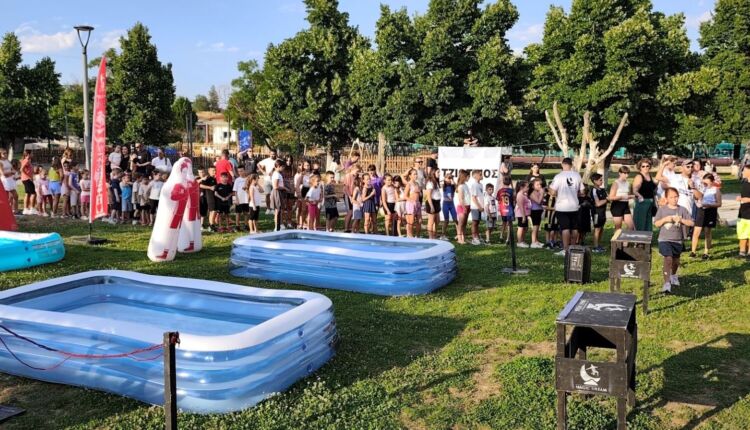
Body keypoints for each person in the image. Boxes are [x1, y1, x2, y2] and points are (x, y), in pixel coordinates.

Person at [654, 187, 694, 293]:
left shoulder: (682, 209)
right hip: (664, 239)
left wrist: (681, 220)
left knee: (676, 261)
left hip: (678, 240)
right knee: (668, 259)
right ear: (666, 198)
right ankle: (666, 283)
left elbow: (691, 223)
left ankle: (673, 275)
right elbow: (656, 223)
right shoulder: (662, 209)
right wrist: (665, 219)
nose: (674, 199)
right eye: (671, 197)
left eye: (676, 197)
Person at [548, 158, 584, 256]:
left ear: (562, 164)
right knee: (574, 228)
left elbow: (552, 192)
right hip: (574, 205)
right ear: (571, 165)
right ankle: (573, 248)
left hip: (562, 206)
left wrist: (550, 190)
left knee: (565, 228)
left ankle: (565, 249)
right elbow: (582, 191)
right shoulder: (577, 175)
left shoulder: (559, 176)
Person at [691, 173, 722, 259]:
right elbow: (696, 197)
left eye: (707, 183)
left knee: (707, 231)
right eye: (704, 183)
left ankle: (706, 252)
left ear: (712, 182)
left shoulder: (716, 190)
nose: (705, 184)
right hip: (701, 210)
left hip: (710, 211)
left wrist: (709, 205)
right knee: (696, 231)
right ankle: (693, 251)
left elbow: (719, 203)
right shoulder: (702, 189)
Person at [632, 158, 656, 231]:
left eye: (647, 166)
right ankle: (639, 238)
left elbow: (653, 188)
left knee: (648, 223)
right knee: (640, 223)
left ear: (650, 167)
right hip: (642, 202)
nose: (645, 167)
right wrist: (640, 196)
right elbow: (634, 190)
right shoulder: (639, 176)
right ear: (640, 167)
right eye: (643, 166)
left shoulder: (649, 176)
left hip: (650, 202)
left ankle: (647, 237)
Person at [609, 166, 635, 231]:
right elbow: (611, 197)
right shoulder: (616, 183)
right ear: (620, 173)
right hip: (617, 205)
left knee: (631, 226)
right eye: (625, 173)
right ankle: (616, 238)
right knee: (618, 228)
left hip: (625, 205)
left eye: (627, 173)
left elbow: (628, 195)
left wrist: (633, 196)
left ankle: (625, 238)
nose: (627, 175)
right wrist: (622, 197)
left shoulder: (628, 183)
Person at [590, 174, 608, 253]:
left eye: (602, 179)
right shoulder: (594, 190)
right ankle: (595, 246)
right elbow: (598, 203)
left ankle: (599, 245)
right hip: (596, 213)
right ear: (595, 181)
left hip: (603, 212)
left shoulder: (603, 190)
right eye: (600, 180)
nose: (602, 181)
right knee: (597, 229)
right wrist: (607, 200)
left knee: (601, 228)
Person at [269, 160, 288, 232]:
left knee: (279, 210)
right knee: (277, 211)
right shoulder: (276, 174)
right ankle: (277, 228)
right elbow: (275, 186)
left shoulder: (278, 174)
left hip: (279, 192)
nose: (283, 168)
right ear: (279, 166)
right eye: (283, 167)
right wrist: (284, 188)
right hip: (277, 192)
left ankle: (278, 226)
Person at [258, 149, 277, 215]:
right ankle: (268, 209)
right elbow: (258, 164)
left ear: (276, 154)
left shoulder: (278, 161)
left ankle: (273, 209)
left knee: (274, 195)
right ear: (269, 154)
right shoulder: (266, 160)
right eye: (271, 154)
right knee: (267, 195)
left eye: (274, 154)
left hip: (275, 180)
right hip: (267, 180)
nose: (272, 155)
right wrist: (263, 172)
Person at [737, 163, 750, 257]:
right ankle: (742, 252)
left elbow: (746, 198)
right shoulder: (744, 183)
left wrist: (747, 199)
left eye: (744, 170)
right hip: (742, 213)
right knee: (742, 233)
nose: (743, 172)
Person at [342, 164, 360, 232]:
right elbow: (346, 187)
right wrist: (350, 196)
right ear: (353, 169)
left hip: (353, 195)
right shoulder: (348, 176)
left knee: (353, 212)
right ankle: (346, 228)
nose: (357, 172)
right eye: (357, 171)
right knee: (350, 212)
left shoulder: (356, 177)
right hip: (348, 195)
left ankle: (350, 227)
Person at [404, 168, 422, 238]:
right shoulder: (409, 184)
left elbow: (419, 194)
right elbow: (405, 196)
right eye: (414, 174)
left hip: (417, 203)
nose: (416, 176)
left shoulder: (417, 183)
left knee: (419, 221)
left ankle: (417, 236)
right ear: (410, 176)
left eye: (416, 174)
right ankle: (410, 236)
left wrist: (419, 193)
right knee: (411, 222)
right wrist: (411, 201)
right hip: (411, 204)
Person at [440, 172, 458, 241]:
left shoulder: (452, 186)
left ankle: (459, 234)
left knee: (455, 219)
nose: (450, 179)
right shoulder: (444, 185)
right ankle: (443, 235)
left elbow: (457, 189)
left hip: (451, 204)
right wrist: (445, 178)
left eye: (451, 178)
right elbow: (441, 183)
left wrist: (452, 180)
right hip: (445, 204)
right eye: (449, 178)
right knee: (446, 220)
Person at [496, 176, 514, 243]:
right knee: (509, 224)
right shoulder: (511, 191)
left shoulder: (500, 191)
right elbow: (514, 200)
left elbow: (498, 199)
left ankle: (501, 236)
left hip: (503, 210)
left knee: (503, 223)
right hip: (509, 210)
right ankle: (507, 239)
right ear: (510, 182)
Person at [529, 179, 545, 248]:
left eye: (540, 184)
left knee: (538, 226)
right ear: (533, 186)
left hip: (539, 210)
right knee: (535, 227)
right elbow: (538, 201)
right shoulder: (532, 193)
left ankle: (536, 241)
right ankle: (533, 242)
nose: (539, 186)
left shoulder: (538, 192)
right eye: (537, 185)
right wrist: (542, 193)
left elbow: (542, 201)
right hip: (534, 211)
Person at [456, 170, 471, 245]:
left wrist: (468, 206)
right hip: (462, 206)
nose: (469, 178)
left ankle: (463, 238)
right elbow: (461, 198)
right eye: (468, 177)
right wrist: (464, 207)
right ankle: (459, 239)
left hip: (467, 206)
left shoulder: (466, 185)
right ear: (464, 177)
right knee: (461, 223)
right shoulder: (460, 186)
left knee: (464, 223)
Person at [200, 167, 218, 231]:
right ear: (209, 171)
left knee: (214, 211)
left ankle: (211, 225)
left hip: (214, 196)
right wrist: (210, 187)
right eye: (213, 170)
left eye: (215, 170)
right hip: (210, 197)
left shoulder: (214, 178)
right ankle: (211, 226)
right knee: (212, 211)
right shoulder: (207, 178)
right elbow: (201, 185)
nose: (214, 172)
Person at [515, 180, 531, 248]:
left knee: (525, 228)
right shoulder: (520, 195)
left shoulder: (524, 194)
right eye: (527, 187)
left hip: (525, 214)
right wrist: (523, 216)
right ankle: (519, 242)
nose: (528, 188)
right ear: (521, 187)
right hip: (521, 214)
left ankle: (522, 240)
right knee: (521, 228)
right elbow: (521, 206)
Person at [0, 149, 17, 214]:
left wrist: (14, 174)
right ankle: (7, 210)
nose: (5, 154)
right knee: (7, 197)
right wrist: (11, 172)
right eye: (3, 153)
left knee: (14, 196)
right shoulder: (0, 162)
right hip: (5, 180)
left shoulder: (7, 160)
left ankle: (14, 210)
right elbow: (2, 173)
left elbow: (12, 169)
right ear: (0, 154)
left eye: (6, 153)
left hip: (11, 179)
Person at [233, 166, 250, 231]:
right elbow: (235, 191)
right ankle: (237, 226)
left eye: (241, 171)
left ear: (244, 171)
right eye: (239, 171)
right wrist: (236, 199)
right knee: (238, 213)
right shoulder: (237, 180)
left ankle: (246, 225)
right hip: (239, 200)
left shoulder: (248, 179)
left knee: (246, 213)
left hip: (246, 199)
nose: (240, 173)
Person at [20, 150, 37, 215]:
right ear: (28, 154)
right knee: (33, 193)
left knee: (27, 193)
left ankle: (26, 209)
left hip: (26, 179)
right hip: (27, 179)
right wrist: (28, 176)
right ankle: (32, 209)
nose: (33, 154)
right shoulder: (26, 160)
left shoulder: (27, 160)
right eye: (32, 153)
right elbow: (21, 169)